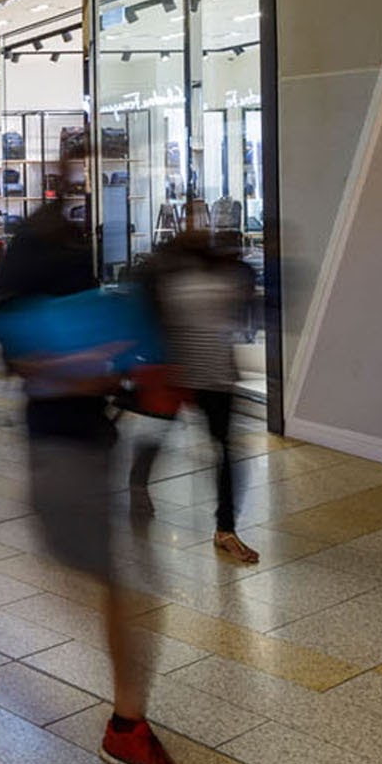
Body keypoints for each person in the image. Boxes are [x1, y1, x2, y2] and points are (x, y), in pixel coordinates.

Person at [0, 154, 205, 764]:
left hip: (89, 447)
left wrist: (128, 376)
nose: (85, 195)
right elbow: (23, 357)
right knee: (124, 591)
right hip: (61, 454)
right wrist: (101, 374)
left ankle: (126, 725)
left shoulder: (65, 252)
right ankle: (127, 729)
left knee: (122, 589)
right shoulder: (33, 257)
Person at [130, 200, 260, 563]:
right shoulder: (164, 266)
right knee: (157, 436)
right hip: (174, 372)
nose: (196, 224)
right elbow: (145, 311)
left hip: (215, 373)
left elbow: (243, 306)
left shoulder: (223, 265)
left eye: (201, 219)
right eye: (189, 218)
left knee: (224, 451)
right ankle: (137, 485)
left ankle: (226, 528)